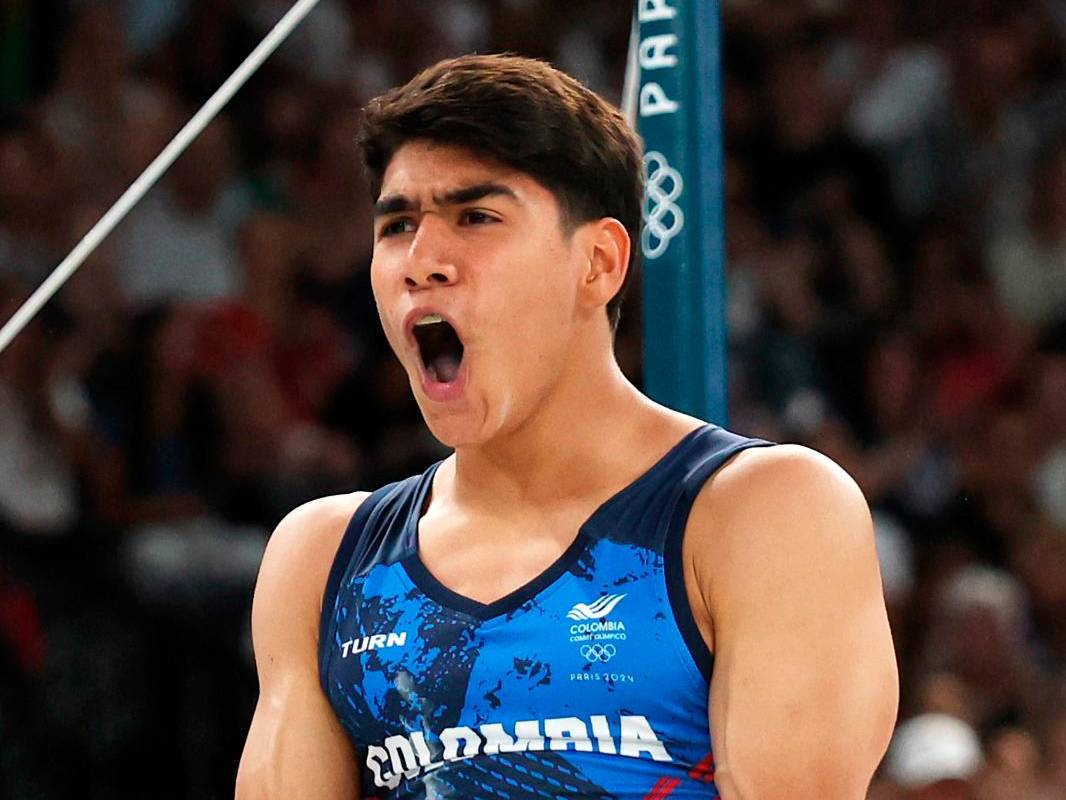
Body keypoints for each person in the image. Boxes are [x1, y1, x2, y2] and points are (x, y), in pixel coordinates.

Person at [235, 54, 898, 799]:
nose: (421, 262)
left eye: (475, 217)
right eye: (398, 225)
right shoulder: (323, 560)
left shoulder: (762, 513)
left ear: (599, 262)